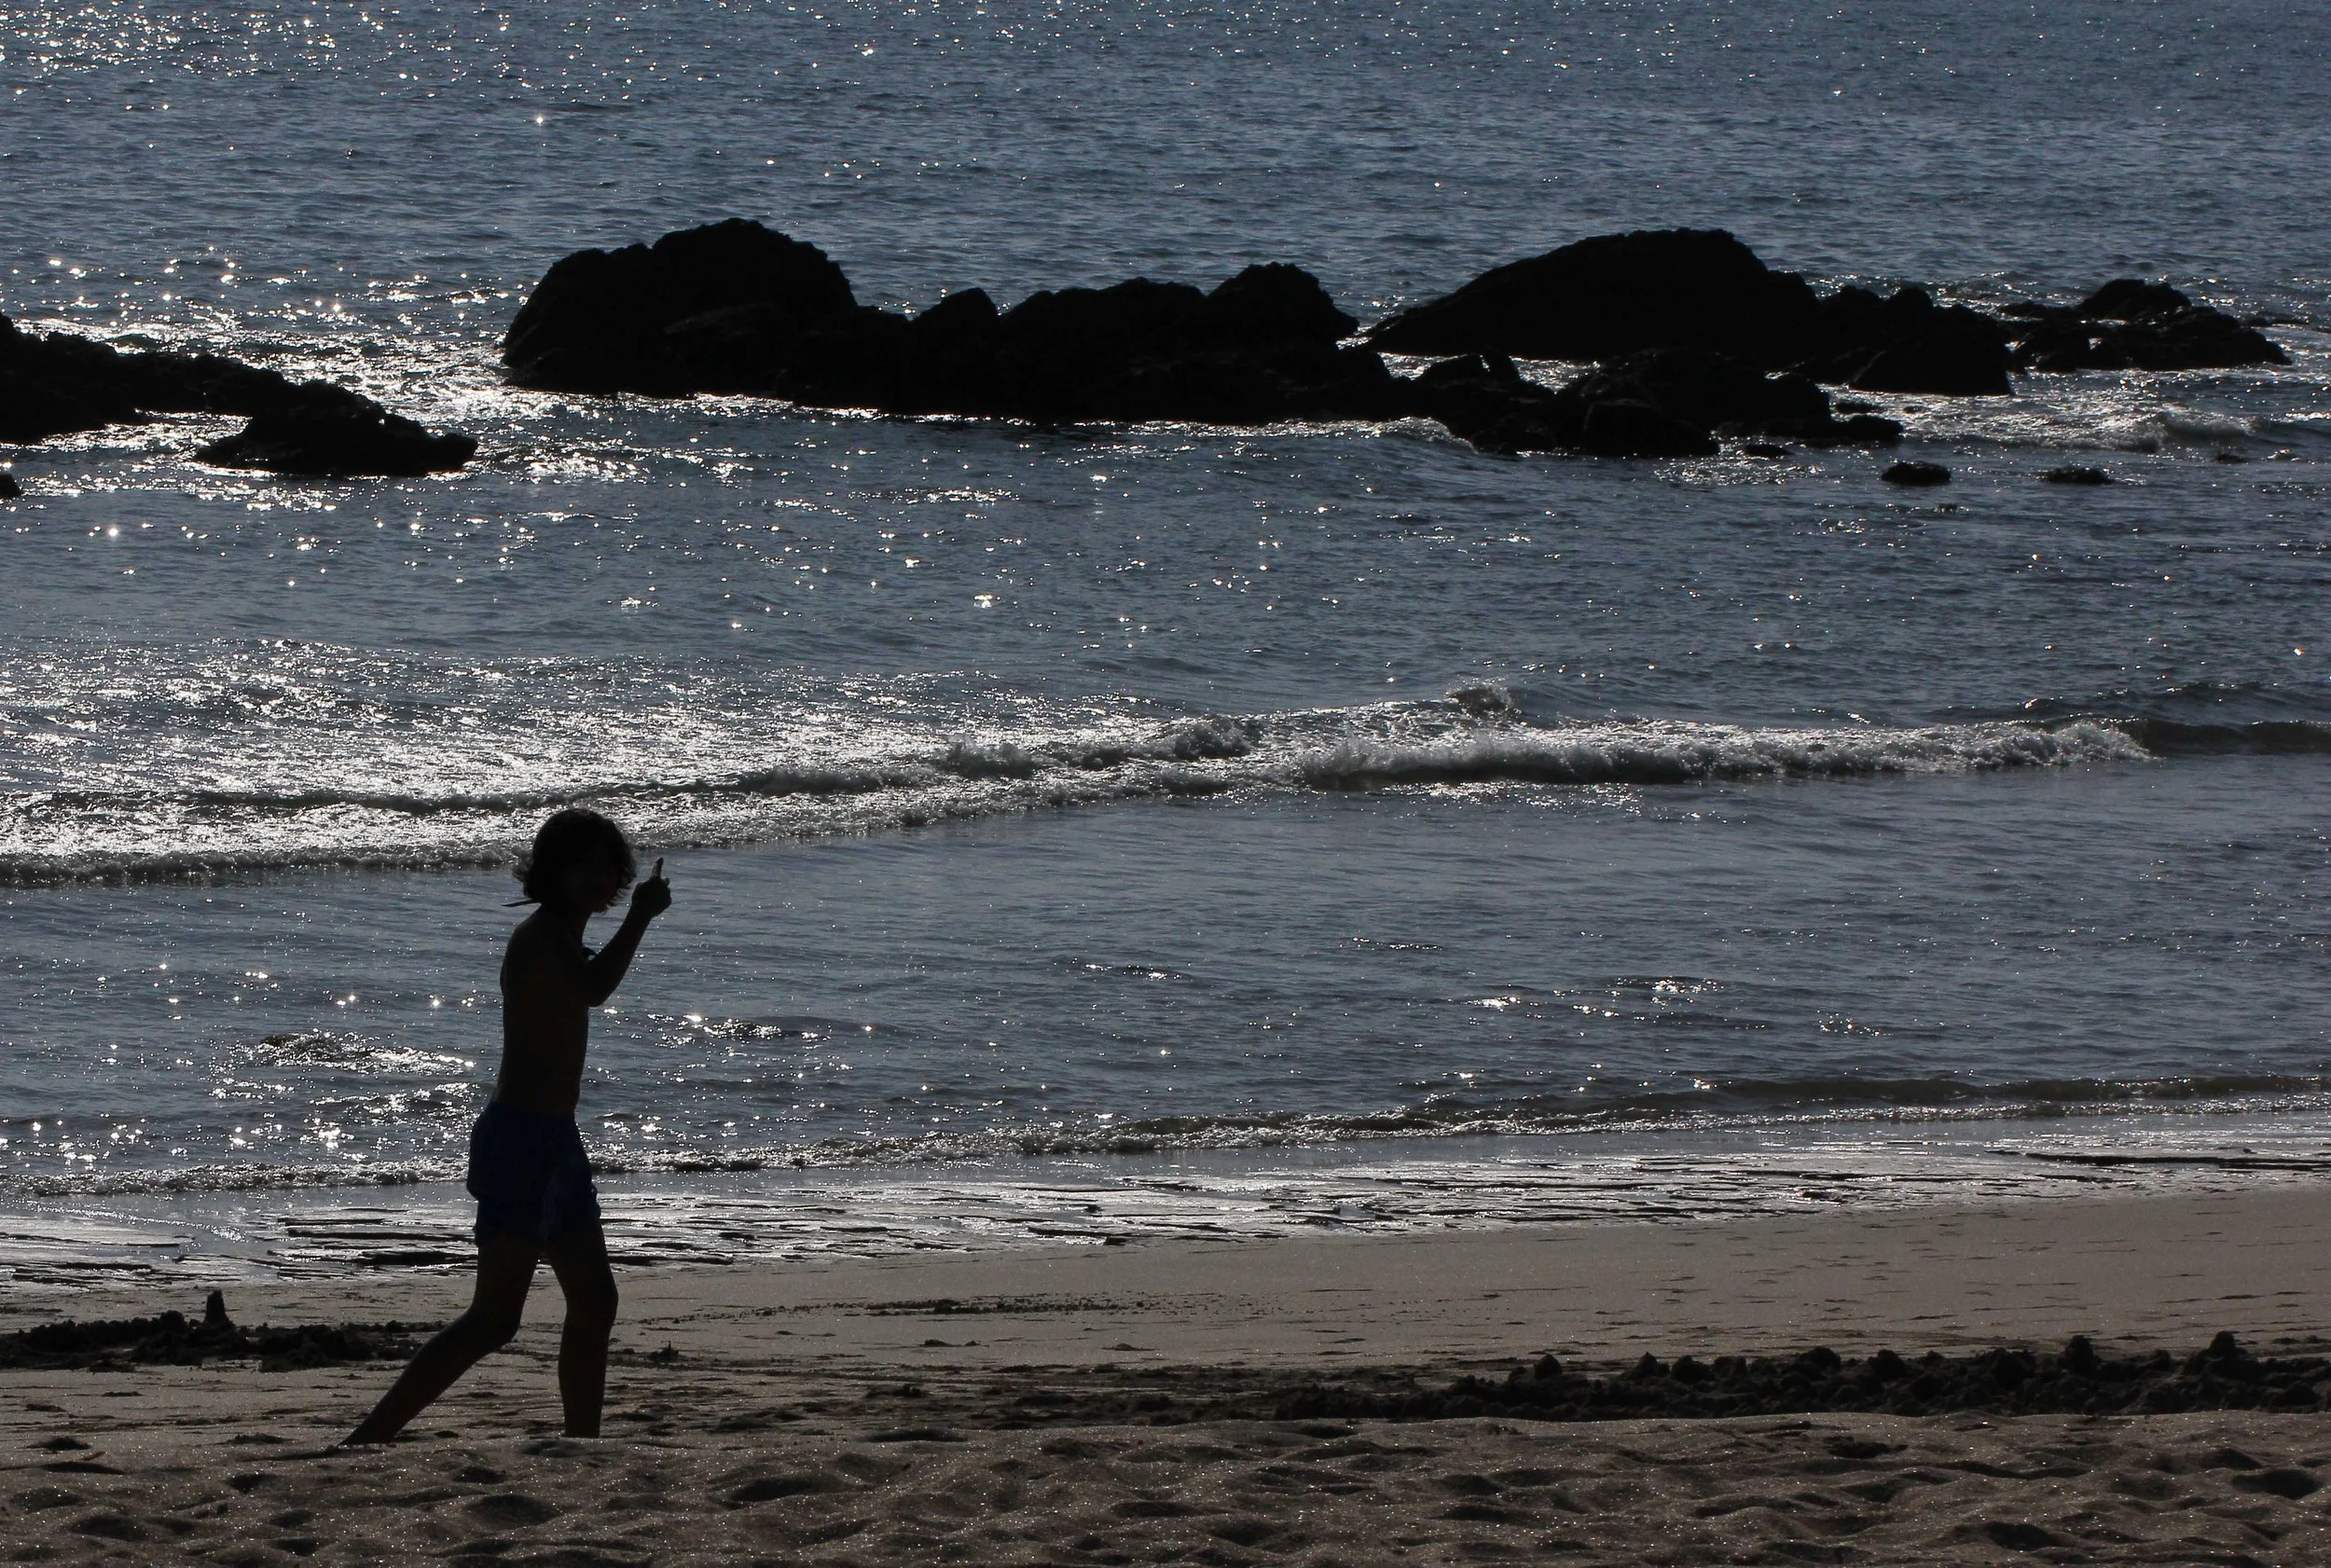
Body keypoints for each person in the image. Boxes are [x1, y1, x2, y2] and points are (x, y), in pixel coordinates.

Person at [346, 808, 671, 1444]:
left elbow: (588, 985)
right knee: (495, 1319)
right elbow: (593, 989)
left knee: (595, 1301)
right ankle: (370, 1436)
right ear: (552, 871)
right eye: (583, 866)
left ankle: (583, 1443)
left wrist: (634, 916)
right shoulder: (542, 937)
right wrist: (639, 919)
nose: (597, 878)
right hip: (519, 1141)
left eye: (607, 868)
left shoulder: (563, 933)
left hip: (556, 1141)